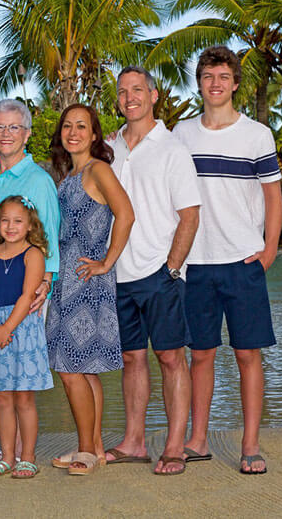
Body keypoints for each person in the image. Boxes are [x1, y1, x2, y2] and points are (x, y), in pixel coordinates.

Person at [171, 46, 282, 475]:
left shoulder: (257, 135)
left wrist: (269, 249)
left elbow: (273, 197)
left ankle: (250, 444)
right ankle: (197, 439)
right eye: (207, 76)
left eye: (222, 77)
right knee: (199, 354)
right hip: (194, 263)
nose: (215, 84)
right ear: (199, 83)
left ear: (235, 83)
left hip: (242, 260)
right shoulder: (181, 134)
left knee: (247, 355)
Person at [104, 65, 201, 476]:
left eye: (138, 90)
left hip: (161, 273)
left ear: (154, 95)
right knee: (131, 358)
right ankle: (134, 442)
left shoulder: (172, 149)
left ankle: (175, 446)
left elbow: (190, 216)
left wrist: (172, 269)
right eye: (123, 91)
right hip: (117, 273)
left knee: (170, 357)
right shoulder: (109, 148)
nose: (130, 97)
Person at [45, 104, 134, 476]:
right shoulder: (69, 176)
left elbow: (126, 214)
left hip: (86, 282)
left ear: (95, 134)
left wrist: (106, 262)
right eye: (68, 126)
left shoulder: (98, 169)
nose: (74, 132)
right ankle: (95, 448)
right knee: (85, 370)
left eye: (82, 126)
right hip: (66, 281)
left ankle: (84, 449)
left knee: (70, 369)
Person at [0, 98, 60, 463]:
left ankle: (25, 454)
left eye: (14, 128)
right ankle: (7, 451)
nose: (6, 134)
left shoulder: (38, 180)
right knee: (1, 387)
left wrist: (46, 284)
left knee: (22, 389)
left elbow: (49, 238)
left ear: (26, 135)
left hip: (27, 296)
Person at [0, 196, 54, 479]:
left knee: (23, 399)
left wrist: (8, 328)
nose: (11, 226)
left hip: (22, 330)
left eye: (18, 221)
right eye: (5, 220)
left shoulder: (34, 255)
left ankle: (27, 457)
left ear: (30, 225)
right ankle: (7, 456)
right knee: (2, 399)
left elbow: (27, 294)